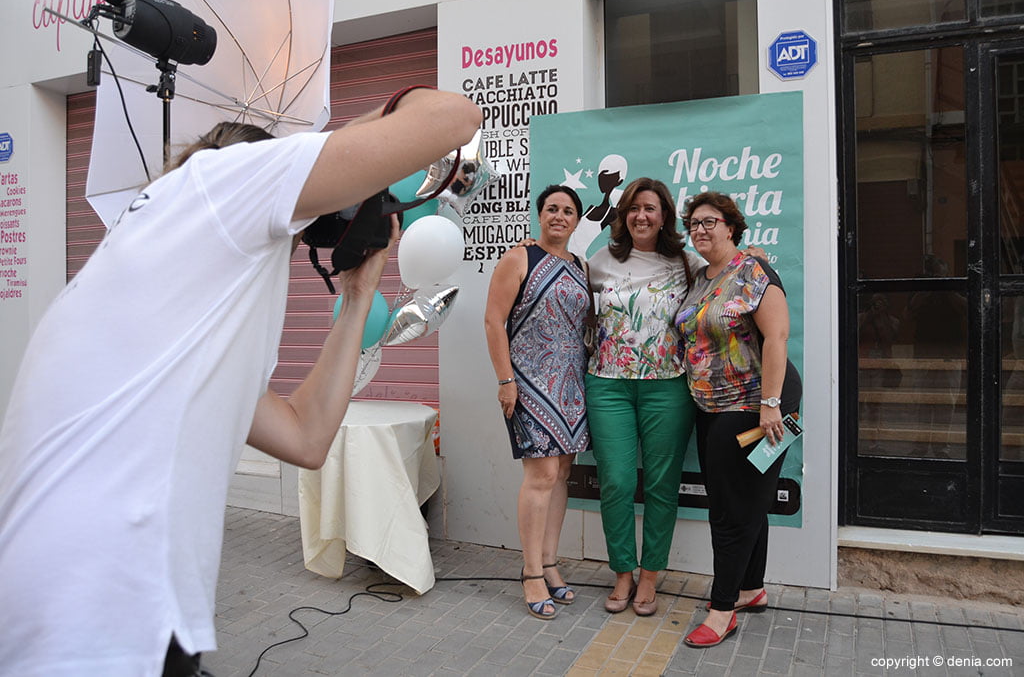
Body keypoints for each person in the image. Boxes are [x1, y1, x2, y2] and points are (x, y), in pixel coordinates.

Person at [0, 88, 481, 676]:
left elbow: (305, 437)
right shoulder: (220, 177)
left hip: (119, 617)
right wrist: (348, 150)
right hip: (95, 619)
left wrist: (357, 297)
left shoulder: (181, 310)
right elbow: (452, 117)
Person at [674, 191, 802, 648]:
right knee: (744, 502)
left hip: (750, 405)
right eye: (694, 223)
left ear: (732, 226)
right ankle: (751, 589)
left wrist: (771, 404)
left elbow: (778, 335)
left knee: (731, 512)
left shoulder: (752, 271)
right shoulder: (702, 277)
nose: (701, 229)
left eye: (710, 221)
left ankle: (722, 609)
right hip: (710, 406)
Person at [585, 177, 701, 617]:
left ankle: (651, 575)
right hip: (608, 384)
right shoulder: (599, 261)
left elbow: (731, 279)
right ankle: (622, 573)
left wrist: (757, 258)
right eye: (634, 208)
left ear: (665, 216)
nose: (641, 216)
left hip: (668, 386)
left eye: (650, 208)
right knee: (616, 481)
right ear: (623, 215)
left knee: (661, 484)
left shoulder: (687, 264)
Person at [484, 184, 592, 620]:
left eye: (567, 211)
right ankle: (530, 572)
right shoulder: (519, 257)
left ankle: (550, 562)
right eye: (551, 209)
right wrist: (505, 380)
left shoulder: (581, 265)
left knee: (563, 470)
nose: (559, 216)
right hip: (528, 382)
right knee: (542, 472)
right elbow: (493, 321)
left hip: (571, 383)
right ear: (539, 215)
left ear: (577, 220)